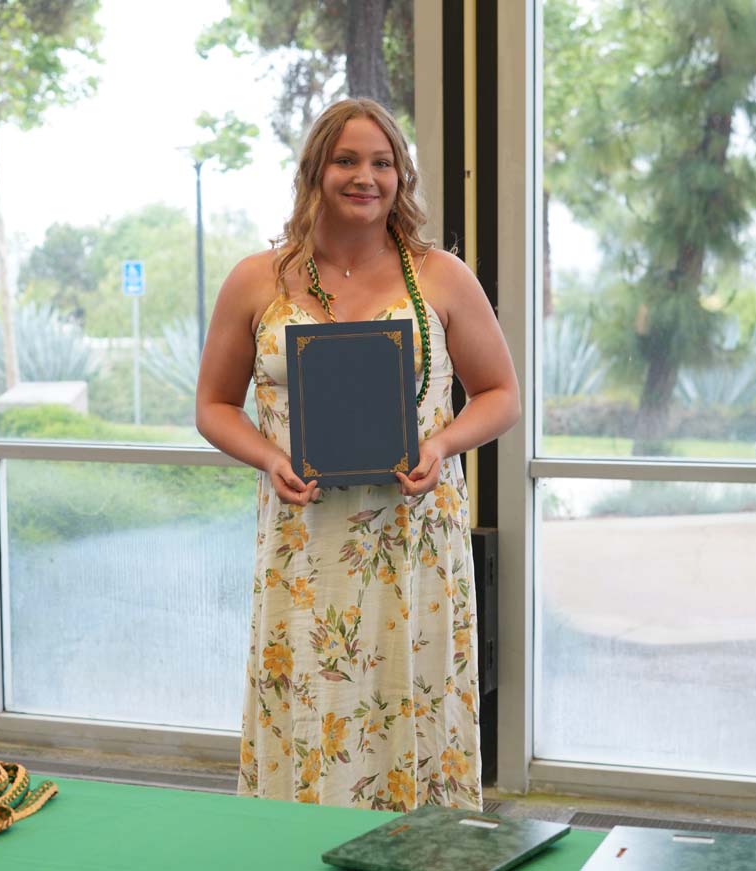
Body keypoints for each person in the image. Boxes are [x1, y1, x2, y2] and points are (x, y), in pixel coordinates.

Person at [195, 97, 519, 811]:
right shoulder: (256, 279)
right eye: (346, 160)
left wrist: (441, 443)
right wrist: (268, 457)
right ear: (315, 170)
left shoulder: (441, 276)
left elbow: (500, 394)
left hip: (415, 541)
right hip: (304, 543)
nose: (365, 177)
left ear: (401, 177)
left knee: (409, 695)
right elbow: (213, 406)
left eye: (382, 162)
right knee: (313, 697)